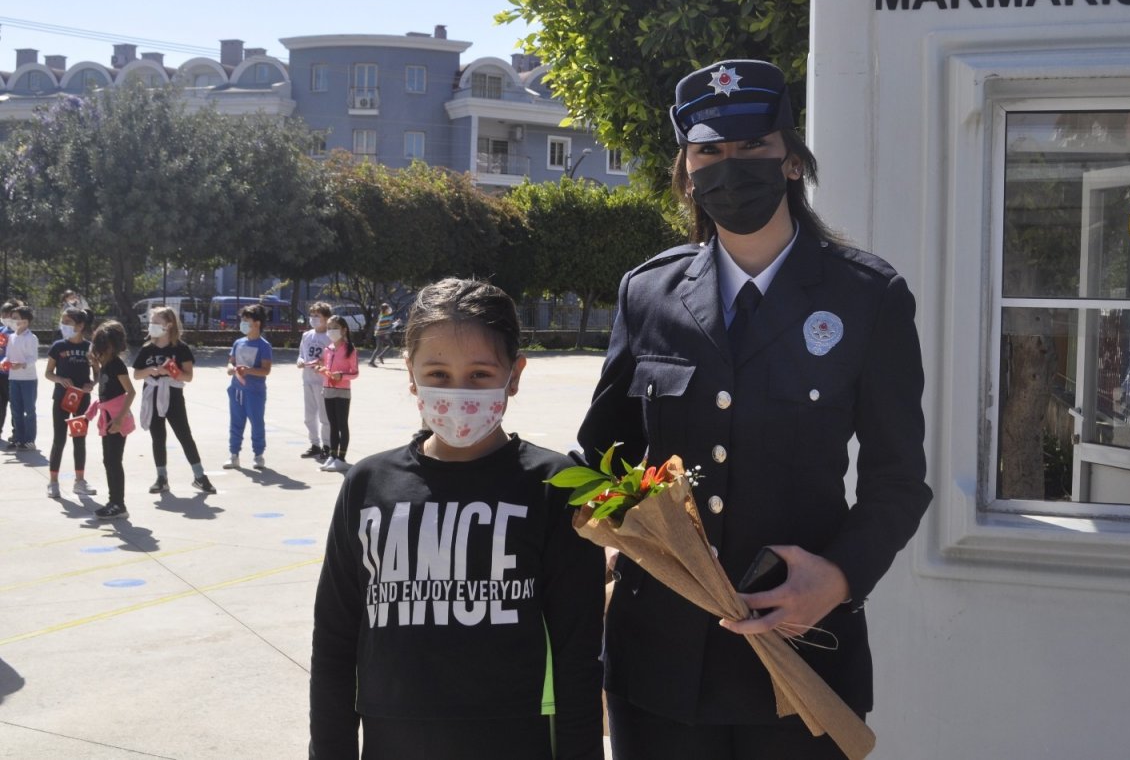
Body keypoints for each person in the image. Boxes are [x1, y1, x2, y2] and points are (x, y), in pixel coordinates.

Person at [576, 59, 933, 758]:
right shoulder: (648, 294)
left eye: (751, 147)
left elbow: (899, 482)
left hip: (800, 659)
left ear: (791, 161)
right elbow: (599, 461)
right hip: (659, 668)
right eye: (709, 151)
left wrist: (836, 579)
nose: (728, 167)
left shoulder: (867, 297)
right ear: (685, 171)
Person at [309, 278, 604, 760]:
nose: (458, 394)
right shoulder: (367, 485)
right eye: (439, 374)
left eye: (481, 375)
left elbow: (579, 655)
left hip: (518, 741)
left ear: (515, 374)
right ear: (411, 373)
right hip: (392, 743)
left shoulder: (557, 485)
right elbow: (335, 644)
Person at [133, 307, 217, 495]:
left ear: (168, 324)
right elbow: (137, 374)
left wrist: (171, 371)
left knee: (184, 435)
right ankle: (161, 478)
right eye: (151, 322)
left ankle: (199, 476)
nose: (152, 326)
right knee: (158, 437)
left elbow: (188, 377)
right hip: (152, 395)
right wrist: (151, 371)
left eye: (156, 322)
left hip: (173, 396)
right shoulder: (147, 348)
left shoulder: (180, 348)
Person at [44, 307, 96, 498]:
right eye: (62, 322)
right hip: (61, 399)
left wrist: (92, 384)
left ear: (80, 325)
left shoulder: (90, 347)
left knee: (79, 439)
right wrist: (60, 379)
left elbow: (97, 373)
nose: (63, 325)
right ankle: (53, 482)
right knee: (59, 439)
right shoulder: (58, 346)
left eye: (68, 322)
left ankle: (80, 481)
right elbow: (48, 373)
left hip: (82, 400)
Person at [88, 320, 136, 520]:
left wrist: (119, 419)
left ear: (110, 346)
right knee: (109, 460)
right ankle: (113, 502)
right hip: (107, 418)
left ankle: (118, 504)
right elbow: (102, 386)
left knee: (114, 461)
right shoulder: (106, 364)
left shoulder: (116, 364)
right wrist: (95, 366)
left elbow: (131, 392)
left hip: (116, 419)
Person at [225, 303, 273, 471]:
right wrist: (232, 369)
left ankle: (258, 455)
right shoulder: (238, 342)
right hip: (236, 390)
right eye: (242, 320)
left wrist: (249, 370)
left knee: (256, 422)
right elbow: (231, 362)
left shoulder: (263, 345)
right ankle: (234, 455)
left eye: (247, 320)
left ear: (257, 323)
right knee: (235, 422)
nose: (243, 323)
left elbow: (266, 370)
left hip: (255, 392)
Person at [317, 315, 359, 472]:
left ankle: (341, 457)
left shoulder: (350, 349)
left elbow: (354, 373)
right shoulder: (328, 350)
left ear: (343, 330)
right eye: (329, 328)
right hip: (327, 389)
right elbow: (328, 371)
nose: (331, 331)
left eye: (334, 328)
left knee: (342, 424)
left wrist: (342, 375)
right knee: (332, 424)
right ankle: (332, 455)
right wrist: (322, 371)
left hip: (342, 391)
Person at [297, 302, 333, 460]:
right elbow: (301, 354)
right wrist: (300, 361)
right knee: (309, 416)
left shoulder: (330, 336)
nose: (313, 319)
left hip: (322, 381)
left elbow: (334, 359)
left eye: (317, 316)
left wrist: (322, 363)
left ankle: (327, 445)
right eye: (312, 315)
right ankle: (314, 444)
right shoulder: (306, 335)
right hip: (307, 379)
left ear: (326, 318)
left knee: (324, 416)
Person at [5, 305, 40, 451]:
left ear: (25, 321)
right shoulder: (11, 337)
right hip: (14, 378)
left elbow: (33, 358)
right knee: (16, 409)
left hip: (28, 379)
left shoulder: (31, 338)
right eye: (12, 318)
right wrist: (5, 363)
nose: (12, 321)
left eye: (15, 318)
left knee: (29, 410)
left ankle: (29, 439)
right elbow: (8, 356)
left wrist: (22, 364)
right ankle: (18, 438)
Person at [0, 300, 17, 445]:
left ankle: (17, 433)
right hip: (1, 374)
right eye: (3, 314)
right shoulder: (2, 331)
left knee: (15, 405)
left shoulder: (18, 332)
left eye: (8, 314)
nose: (5, 317)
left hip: (14, 375)